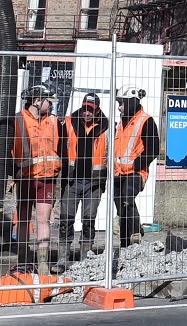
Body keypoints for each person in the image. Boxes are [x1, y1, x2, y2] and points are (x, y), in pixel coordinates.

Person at [11, 84, 65, 274]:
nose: (50, 106)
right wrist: (12, 174)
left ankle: (42, 264)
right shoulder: (18, 120)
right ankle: (23, 260)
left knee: (43, 220)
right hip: (26, 179)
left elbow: (62, 150)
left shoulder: (55, 122)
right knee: (24, 220)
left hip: (48, 178)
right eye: (48, 102)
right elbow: (8, 150)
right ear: (36, 101)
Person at [58, 91, 110, 267]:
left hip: (94, 183)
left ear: (97, 111)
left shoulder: (107, 127)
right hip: (71, 181)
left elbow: (111, 153)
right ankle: (62, 259)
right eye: (85, 108)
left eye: (90, 110)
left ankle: (85, 259)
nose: (87, 113)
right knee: (66, 219)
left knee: (88, 220)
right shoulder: (69, 123)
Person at [112, 85, 160, 249]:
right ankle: (125, 244)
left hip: (136, 173)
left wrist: (136, 164)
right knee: (122, 211)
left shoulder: (146, 121)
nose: (119, 106)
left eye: (122, 103)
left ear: (131, 102)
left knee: (127, 198)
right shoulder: (121, 123)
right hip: (118, 173)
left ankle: (135, 235)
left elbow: (153, 149)